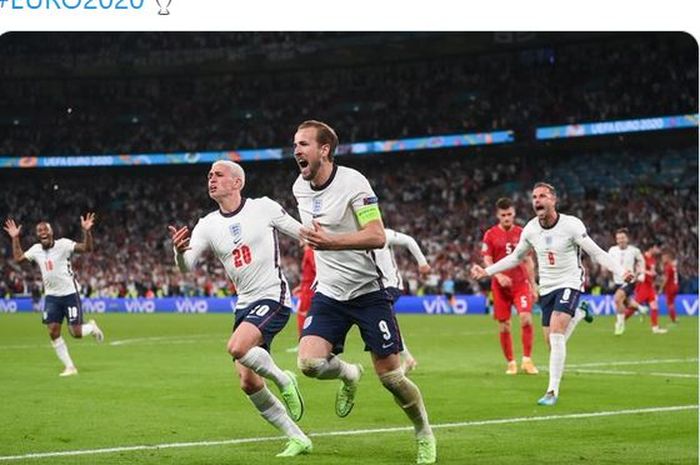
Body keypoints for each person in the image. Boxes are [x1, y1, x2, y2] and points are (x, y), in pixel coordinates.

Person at [292, 120, 436, 464]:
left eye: (303, 144)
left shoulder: (354, 183)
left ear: (324, 150)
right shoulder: (299, 186)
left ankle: (424, 433)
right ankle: (348, 373)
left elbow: (377, 235)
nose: (296, 150)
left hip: (370, 290)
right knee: (309, 364)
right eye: (295, 144)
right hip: (329, 292)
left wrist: (331, 242)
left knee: (391, 377)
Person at [168, 160, 311, 457]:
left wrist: (328, 237)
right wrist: (178, 253)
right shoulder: (207, 224)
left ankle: (285, 379)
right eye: (209, 175)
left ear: (237, 182)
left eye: (218, 175)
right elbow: (186, 267)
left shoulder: (263, 207)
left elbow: (303, 233)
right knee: (248, 382)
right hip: (244, 304)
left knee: (236, 346)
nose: (211, 179)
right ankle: (298, 438)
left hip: (273, 297)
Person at [471, 182, 634, 406]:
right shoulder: (530, 229)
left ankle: (552, 391)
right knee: (552, 342)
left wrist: (621, 270)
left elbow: (595, 252)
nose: (537, 200)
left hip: (570, 282)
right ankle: (578, 314)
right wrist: (487, 271)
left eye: (543, 196)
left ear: (553, 200)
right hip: (547, 287)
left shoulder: (571, 225)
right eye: (534, 197)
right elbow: (516, 257)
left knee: (557, 332)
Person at [3, 214, 103, 377]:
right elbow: (19, 258)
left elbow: (87, 248)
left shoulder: (63, 244)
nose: (42, 232)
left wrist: (87, 232)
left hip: (70, 293)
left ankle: (91, 327)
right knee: (53, 332)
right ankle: (70, 367)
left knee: (75, 333)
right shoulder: (36, 250)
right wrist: (15, 238)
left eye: (45, 229)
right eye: (39, 230)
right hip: (52, 297)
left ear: (51, 232)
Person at [481, 197, 539, 375]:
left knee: (526, 318)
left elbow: (528, 260)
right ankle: (511, 362)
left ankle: (527, 360)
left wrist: (533, 284)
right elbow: (487, 259)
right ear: (498, 215)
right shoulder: (490, 234)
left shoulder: (522, 232)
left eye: (509, 214)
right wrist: (498, 275)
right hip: (500, 287)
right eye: (503, 215)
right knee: (504, 325)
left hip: (520, 284)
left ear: (514, 214)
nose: (507, 218)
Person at [375, 227, 432, 373]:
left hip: (390, 285)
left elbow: (409, 240)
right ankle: (407, 359)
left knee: (384, 321)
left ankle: (403, 359)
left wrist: (422, 263)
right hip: (374, 289)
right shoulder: (353, 238)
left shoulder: (384, 233)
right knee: (384, 322)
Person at [607, 228, 648, 336]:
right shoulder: (612, 250)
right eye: (618, 238)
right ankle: (641, 308)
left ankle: (620, 324)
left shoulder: (634, 250)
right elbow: (608, 263)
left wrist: (642, 273)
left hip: (630, 280)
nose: (621, 240)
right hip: (617, 280)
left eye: (623, 238)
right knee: (627, 302)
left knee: (617, 299)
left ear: (627, 238)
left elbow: (641, 261)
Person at [635, 242, 667, 334]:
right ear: (652, 247)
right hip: (643, 285)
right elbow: (638, 269)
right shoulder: (642, 257)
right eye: (658, 248)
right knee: (634, 306)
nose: (659, 250)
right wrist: (649, 273)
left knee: (654, 306)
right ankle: (621, 320)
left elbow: (651, 272)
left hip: (650, 285)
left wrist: (655, 275)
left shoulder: (652, 259)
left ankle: (655, 328)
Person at [660, 249, 679, 324]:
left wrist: (661, 288)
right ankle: (674, 317)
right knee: (672, 303)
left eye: (664, 258)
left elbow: (666, 278)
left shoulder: (668, 266)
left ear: (668, 258)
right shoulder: (672, 266)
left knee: (669, 303)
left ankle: (673, 320)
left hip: (670, 287)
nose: (662, 259)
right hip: (675, 285)